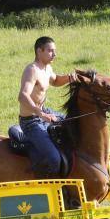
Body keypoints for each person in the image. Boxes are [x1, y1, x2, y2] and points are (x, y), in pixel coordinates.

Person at [18, 36, 77, 176]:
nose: (54, 54)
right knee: (53, 159)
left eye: (54, 51)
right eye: (50, 51)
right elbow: (22, 96)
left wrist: (70, 77)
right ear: (39, 51)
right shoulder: (32, 70)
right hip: (31, 121)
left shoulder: (47, 68)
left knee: (72, 121)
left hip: (43, 112)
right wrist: (42, 115)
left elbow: (55, 80)